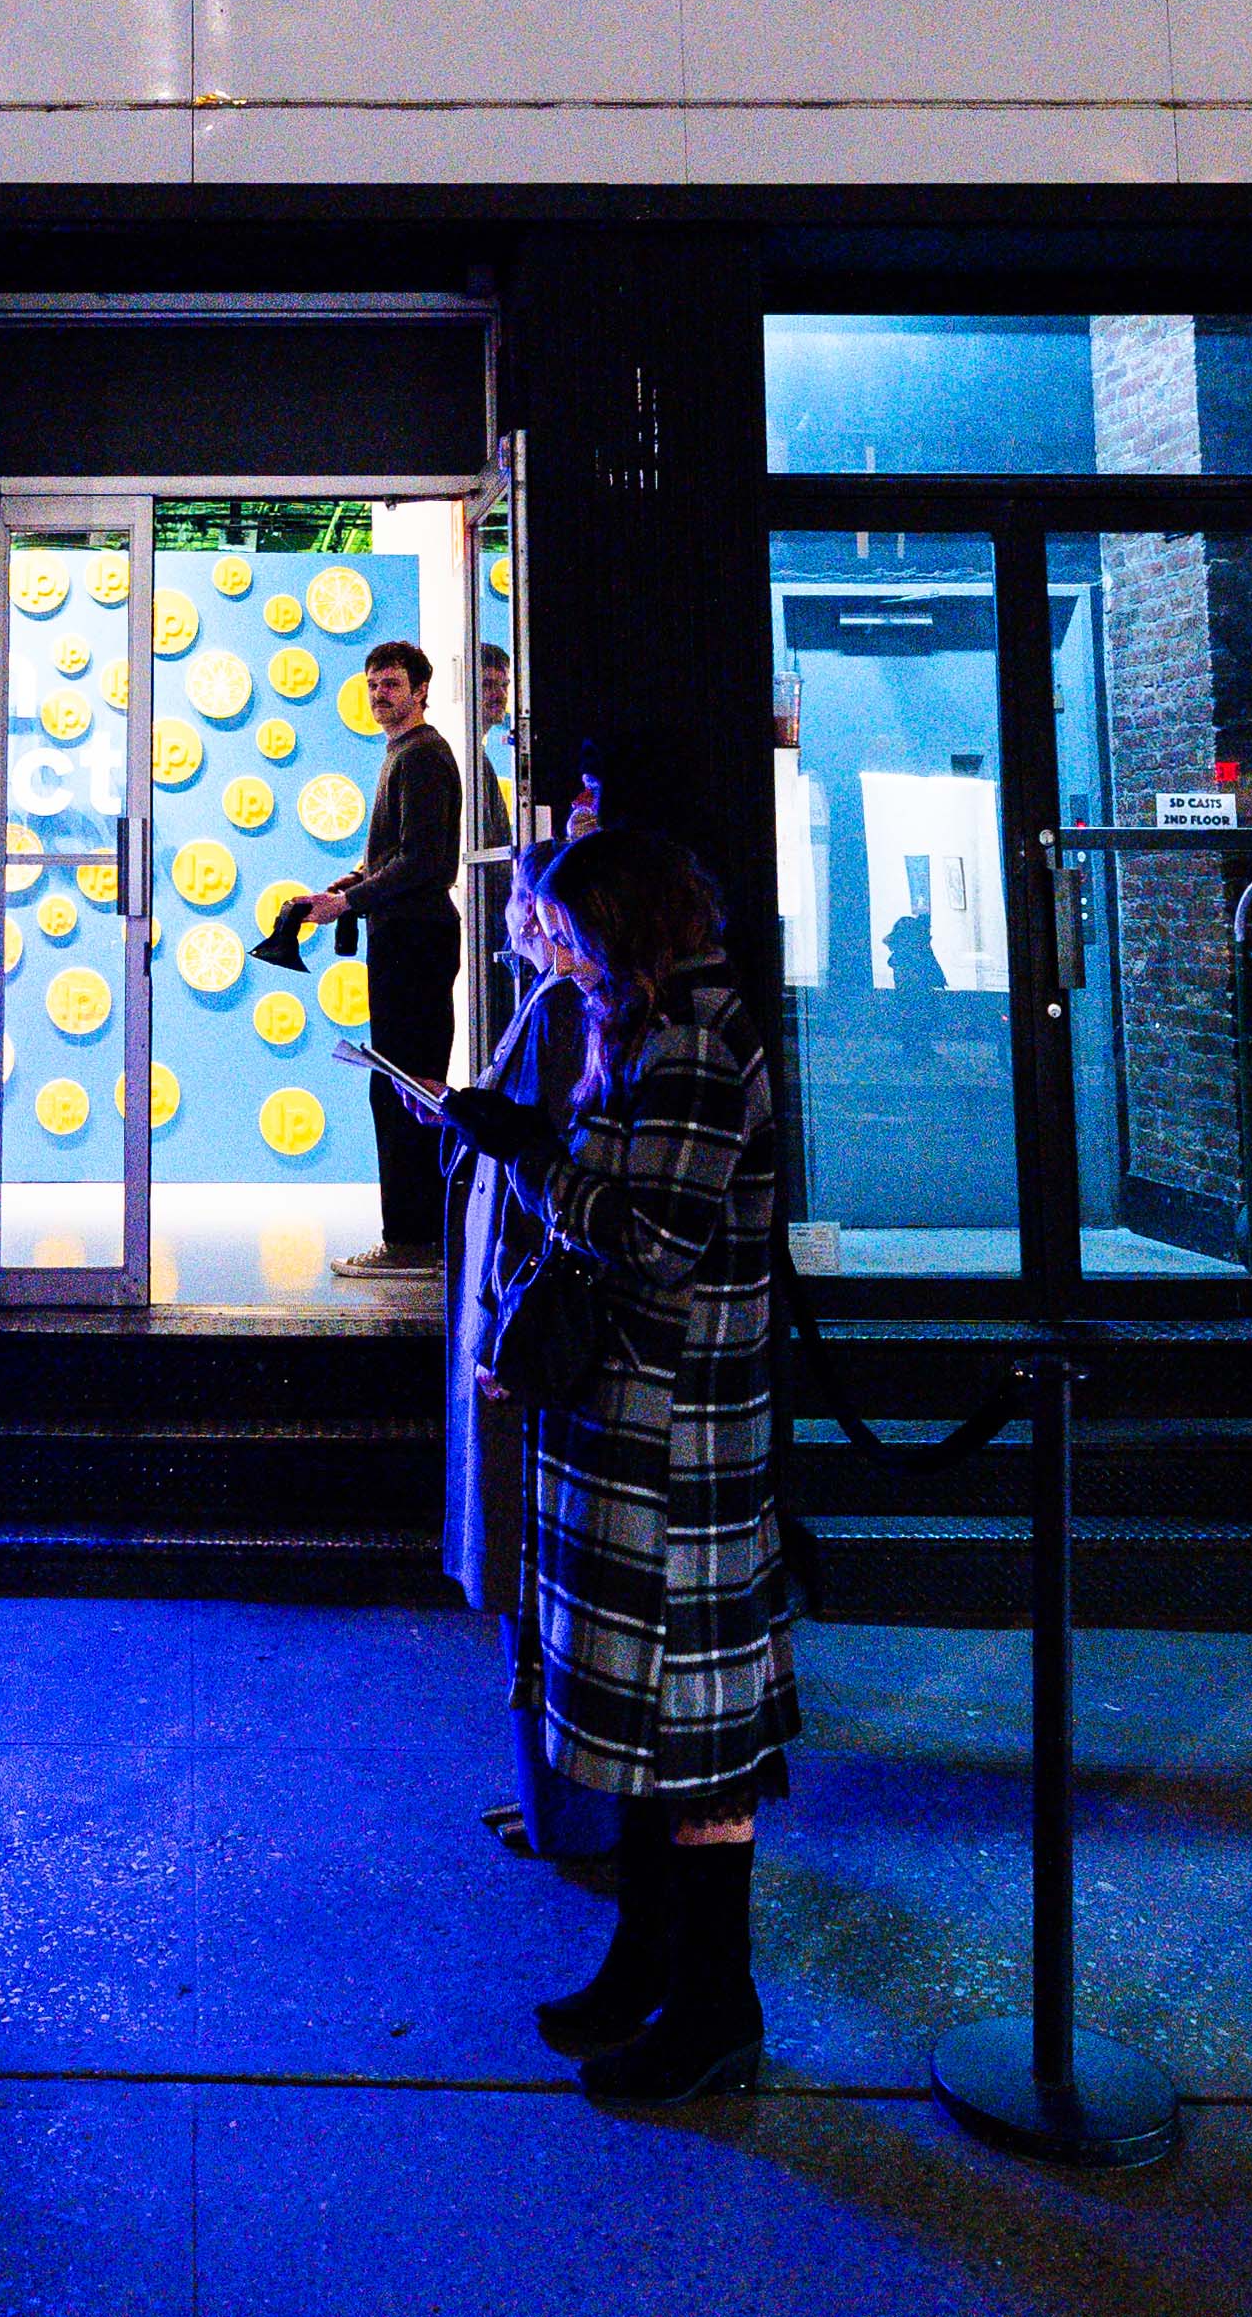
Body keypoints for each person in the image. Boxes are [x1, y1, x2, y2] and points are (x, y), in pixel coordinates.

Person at [408, 823, 795, 2106]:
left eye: (572, 929)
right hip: (630, 1426)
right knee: (648, 1730)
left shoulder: (691, 1042)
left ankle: (713, 2006)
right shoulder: (647, 1025)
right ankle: (645, 1961)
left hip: (673, 1441)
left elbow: (653, 1240)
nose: (555, 948)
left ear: (624, 924)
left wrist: (529, 1156)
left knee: (693, 1734)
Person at [261, 635, 471, 1277]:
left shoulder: (422, 755)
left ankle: (412, 1241)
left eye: (392, 684)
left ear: (421, 690)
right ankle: (418, 1235)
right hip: (407, 936)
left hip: (414, 940)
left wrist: (348, 902)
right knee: (402, 1084)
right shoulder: (405, 753)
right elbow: (399, 857)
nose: (380, 695)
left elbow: (424, 862)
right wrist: (347, 887)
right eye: (373, 685)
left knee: (404, 1088)